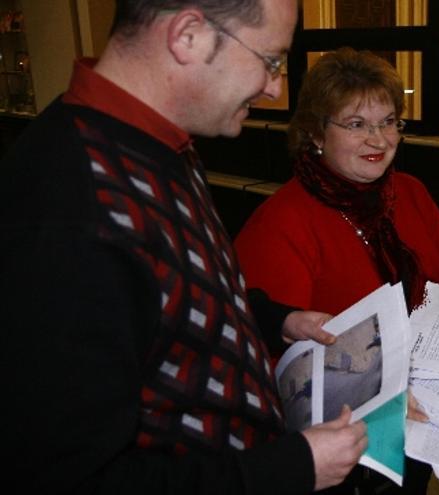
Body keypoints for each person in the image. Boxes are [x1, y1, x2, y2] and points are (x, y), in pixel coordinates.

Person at [0, 1, 366, 493]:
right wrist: (288, 470)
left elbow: (173, 298)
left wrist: (274, 318)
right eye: (271, 60)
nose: (275, 86)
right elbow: (71, 477)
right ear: (188, 36)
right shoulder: (69, 210)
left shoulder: (163, 141)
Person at [234, 47, 439, 493]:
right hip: (344, 450)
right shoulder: (282, 221)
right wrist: (379, 398)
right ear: (316, 132)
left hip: (423, 417)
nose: (379, 140)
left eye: (389, 121)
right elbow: (286, 373)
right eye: (357, 124)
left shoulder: (408, 192)